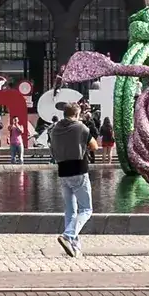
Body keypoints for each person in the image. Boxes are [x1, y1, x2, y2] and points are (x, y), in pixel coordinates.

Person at [48, 99, 96, 257]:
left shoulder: (55, 129)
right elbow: (94, 145)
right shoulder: (81, 127)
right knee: (86, 209)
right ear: (77, 114)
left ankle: (75, 246)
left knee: (70, 210)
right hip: (79, 170)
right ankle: (68, 235)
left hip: (63, 171)